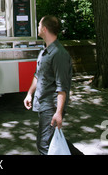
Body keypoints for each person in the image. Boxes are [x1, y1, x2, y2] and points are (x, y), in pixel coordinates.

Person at [23, 15, 81, 155]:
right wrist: (29, 94)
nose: (37, 28)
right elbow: (38, 75)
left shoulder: (59, 54)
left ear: (44, 29)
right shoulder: (44, 51)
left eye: (38, 25)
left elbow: (62, 87)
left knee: (44, 144)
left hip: (52, 106)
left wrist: (59, 113)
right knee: (54, 139)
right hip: (43, 103)